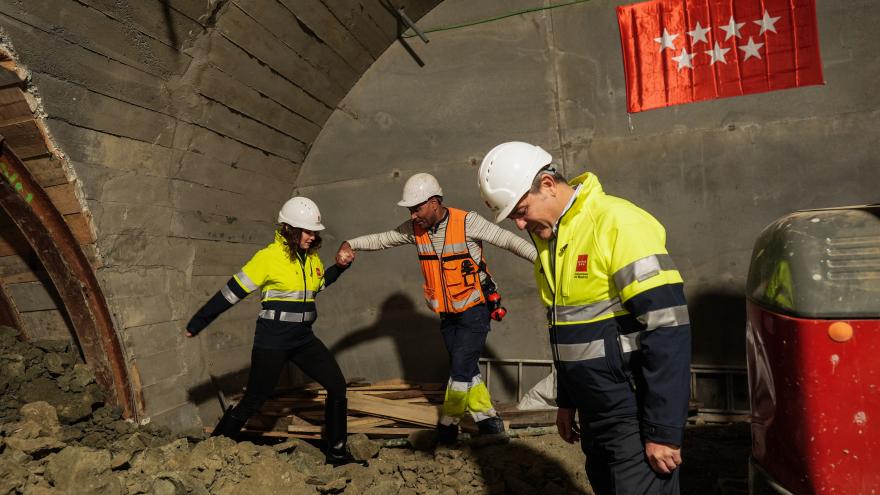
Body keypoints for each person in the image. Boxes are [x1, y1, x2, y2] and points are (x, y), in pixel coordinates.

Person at [477, 142, 692, 494]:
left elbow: (668, 326)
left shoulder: (617, 222)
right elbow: (564, 331)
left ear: (547, 184)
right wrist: (567, 400)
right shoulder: (551, 242)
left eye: (521, 210)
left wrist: (663, 431)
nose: (518, 224)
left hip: (632, 413)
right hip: (596, 414)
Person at [336, 173, 536, 443]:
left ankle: (448, 425)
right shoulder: (414, 229)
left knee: (460, 370)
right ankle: (489, 421)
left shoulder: (467, 222)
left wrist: (543, 261)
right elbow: (384, 238)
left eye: (416, 208)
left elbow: (509, 241)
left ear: (433, 202)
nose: (413, 214)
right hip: (447, 312)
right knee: (464, 367)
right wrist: (351, 243)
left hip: (475, 308)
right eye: (410, 210)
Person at [185, 196, 361, 465]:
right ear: (289, 229)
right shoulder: (267, 258)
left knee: (337, 385)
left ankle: (337, 453)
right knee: (255, 398)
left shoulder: (309, 258)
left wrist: (340, 267)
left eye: (315, 232)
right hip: (273, 340)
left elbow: (318, 286)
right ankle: (215, 449)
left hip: (303, 339)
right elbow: (230, 293)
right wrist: (198, 322)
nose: (312, 237)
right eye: (307, 231)